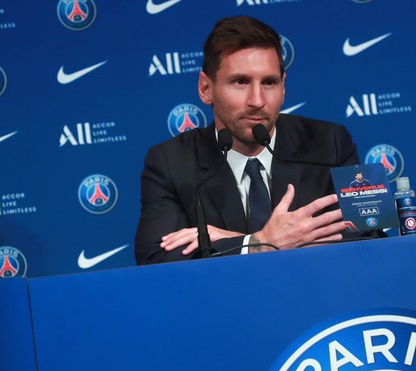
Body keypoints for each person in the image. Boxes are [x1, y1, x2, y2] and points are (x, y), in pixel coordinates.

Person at [135, 16, 362, 265]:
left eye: (269, 82)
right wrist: (257, 243)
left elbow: (369, 236)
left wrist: (255, 242)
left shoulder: (329, 143)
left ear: (283, 87)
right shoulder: (171, 162)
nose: (257, 100)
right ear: (205, 88)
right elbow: (156, 257)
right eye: (240, 82)